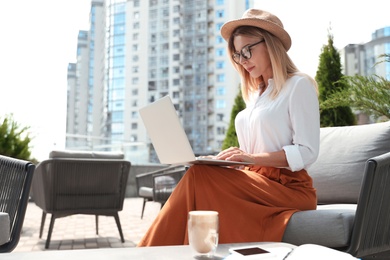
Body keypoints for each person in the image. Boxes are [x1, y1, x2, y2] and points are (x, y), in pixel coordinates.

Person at [138, 8, 320, 246]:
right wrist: (227, 162)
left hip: (289, 188)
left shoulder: (298, 85)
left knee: (198, 177)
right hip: (255, 181)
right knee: (201, 172)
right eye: (237, 55)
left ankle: (148, 251)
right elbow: (250, 159)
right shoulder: (255, 97)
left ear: (270, 44)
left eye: (247, 50)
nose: (243, 60)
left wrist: (250, 158)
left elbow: (307, 152)